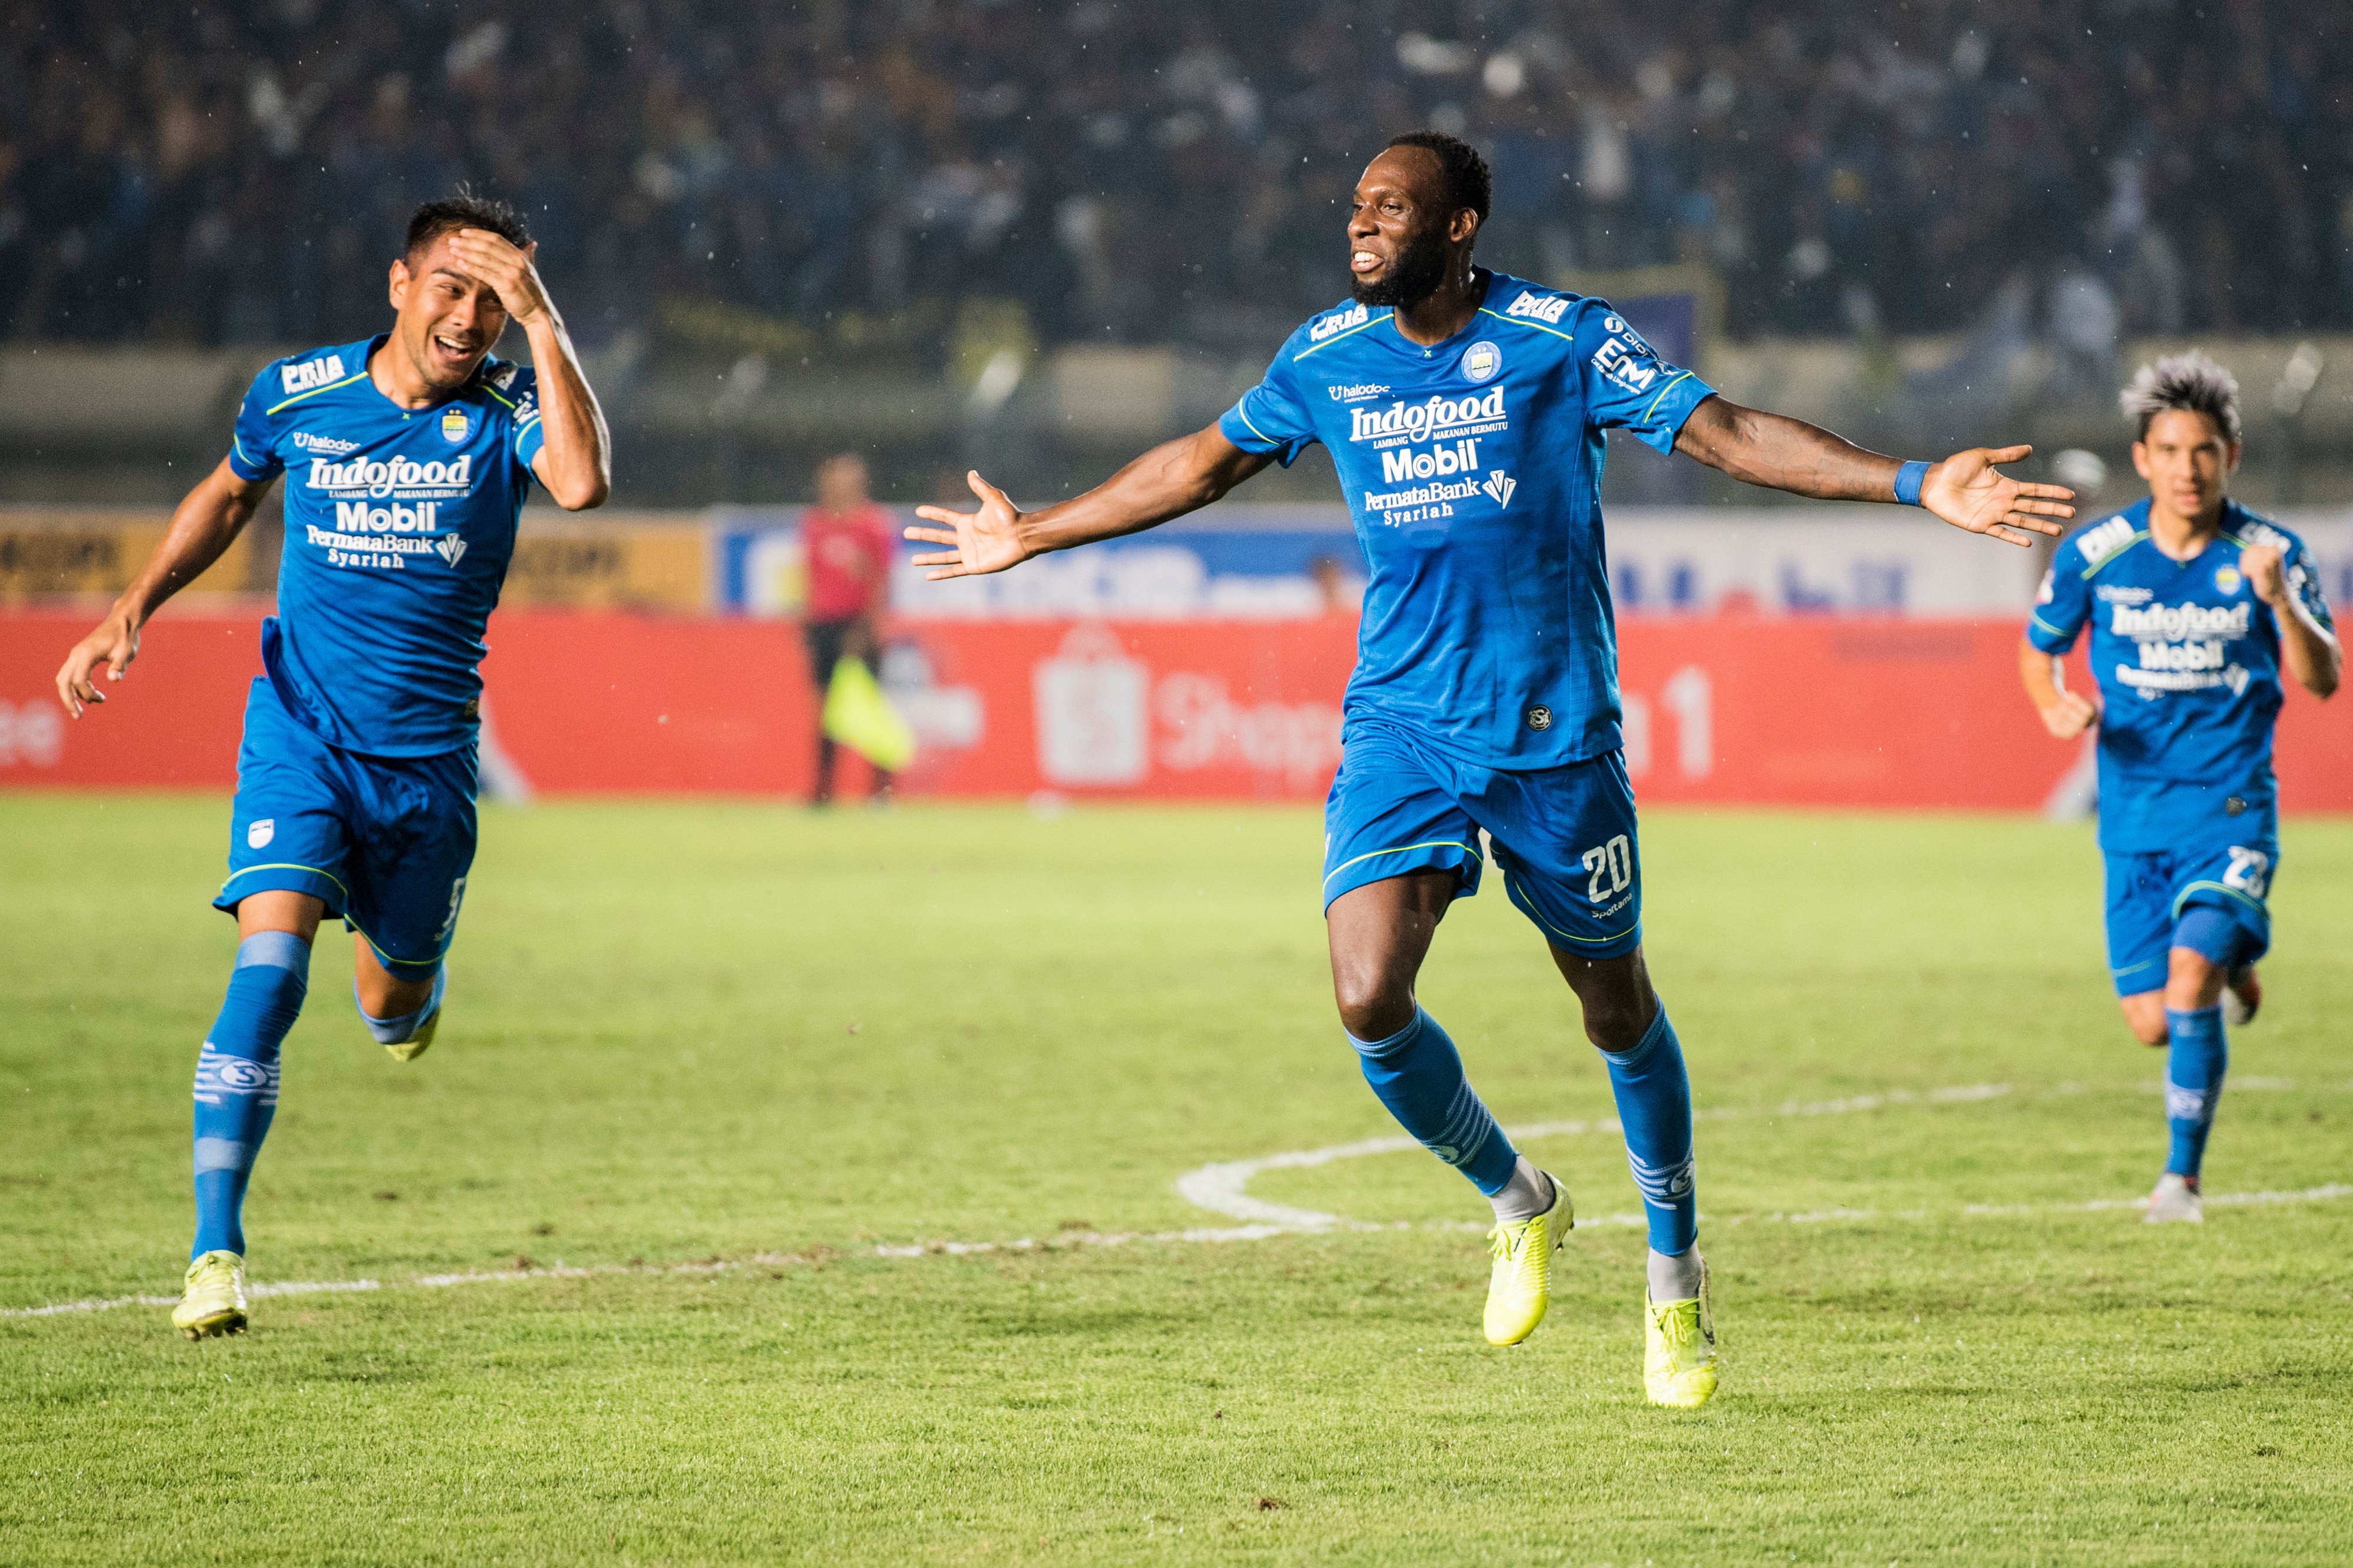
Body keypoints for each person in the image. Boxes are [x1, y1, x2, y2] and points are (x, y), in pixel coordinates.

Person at [909, 131, 2071, 1407]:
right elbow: (1197, 462)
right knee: (1365, 998)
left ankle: (1673, 1288)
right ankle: (1519, 1198)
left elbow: (1726, 433)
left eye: (1391, 208)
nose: (1360, 227)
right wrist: (1034, 531)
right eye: (1354, 206)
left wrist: (1912, 483)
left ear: (1458, 226)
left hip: (1551, 738)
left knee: (1613, 1008)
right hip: (1400, 730)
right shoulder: (1322, 358)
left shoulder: (1561, 339)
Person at [53, 194, 612, 1339]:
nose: (471, 318)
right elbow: (227, 489)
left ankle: (411, 981)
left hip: (424, 775)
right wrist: (132, 606)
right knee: (268, 972)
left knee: (392, 1002)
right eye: (452, 290)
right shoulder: (298, 393)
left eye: (494, 301)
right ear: (399, 286)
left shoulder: (508, 406)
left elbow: (581, 483)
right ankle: (215, 1252)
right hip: (299, 733)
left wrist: (544, 319)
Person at [2019, 353, 2339, 1224]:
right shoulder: (2098, 552)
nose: (2188, 468)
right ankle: (2236, 960)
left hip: (2232, 805)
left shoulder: (2271, 553)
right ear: (2141, 458)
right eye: (2170, 449)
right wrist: (2052, 703)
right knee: (2155, 1022)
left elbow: (2323, 678)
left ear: (2230, 455)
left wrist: (2283, 605)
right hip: (2133, 818)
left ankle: (2179, 1182)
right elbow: (2038, 647)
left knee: (2188, 974)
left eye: (2204, 450)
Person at [801, 452, 900, 805]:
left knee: (869, 708)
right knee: (827, 711)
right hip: (824, 624)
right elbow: (814, 577)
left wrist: (869, 624)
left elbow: (881, 579)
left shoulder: (874, 524)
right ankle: (824, 790)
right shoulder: (814, 523)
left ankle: (881, 790)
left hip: (859, 625)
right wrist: (808, 618)